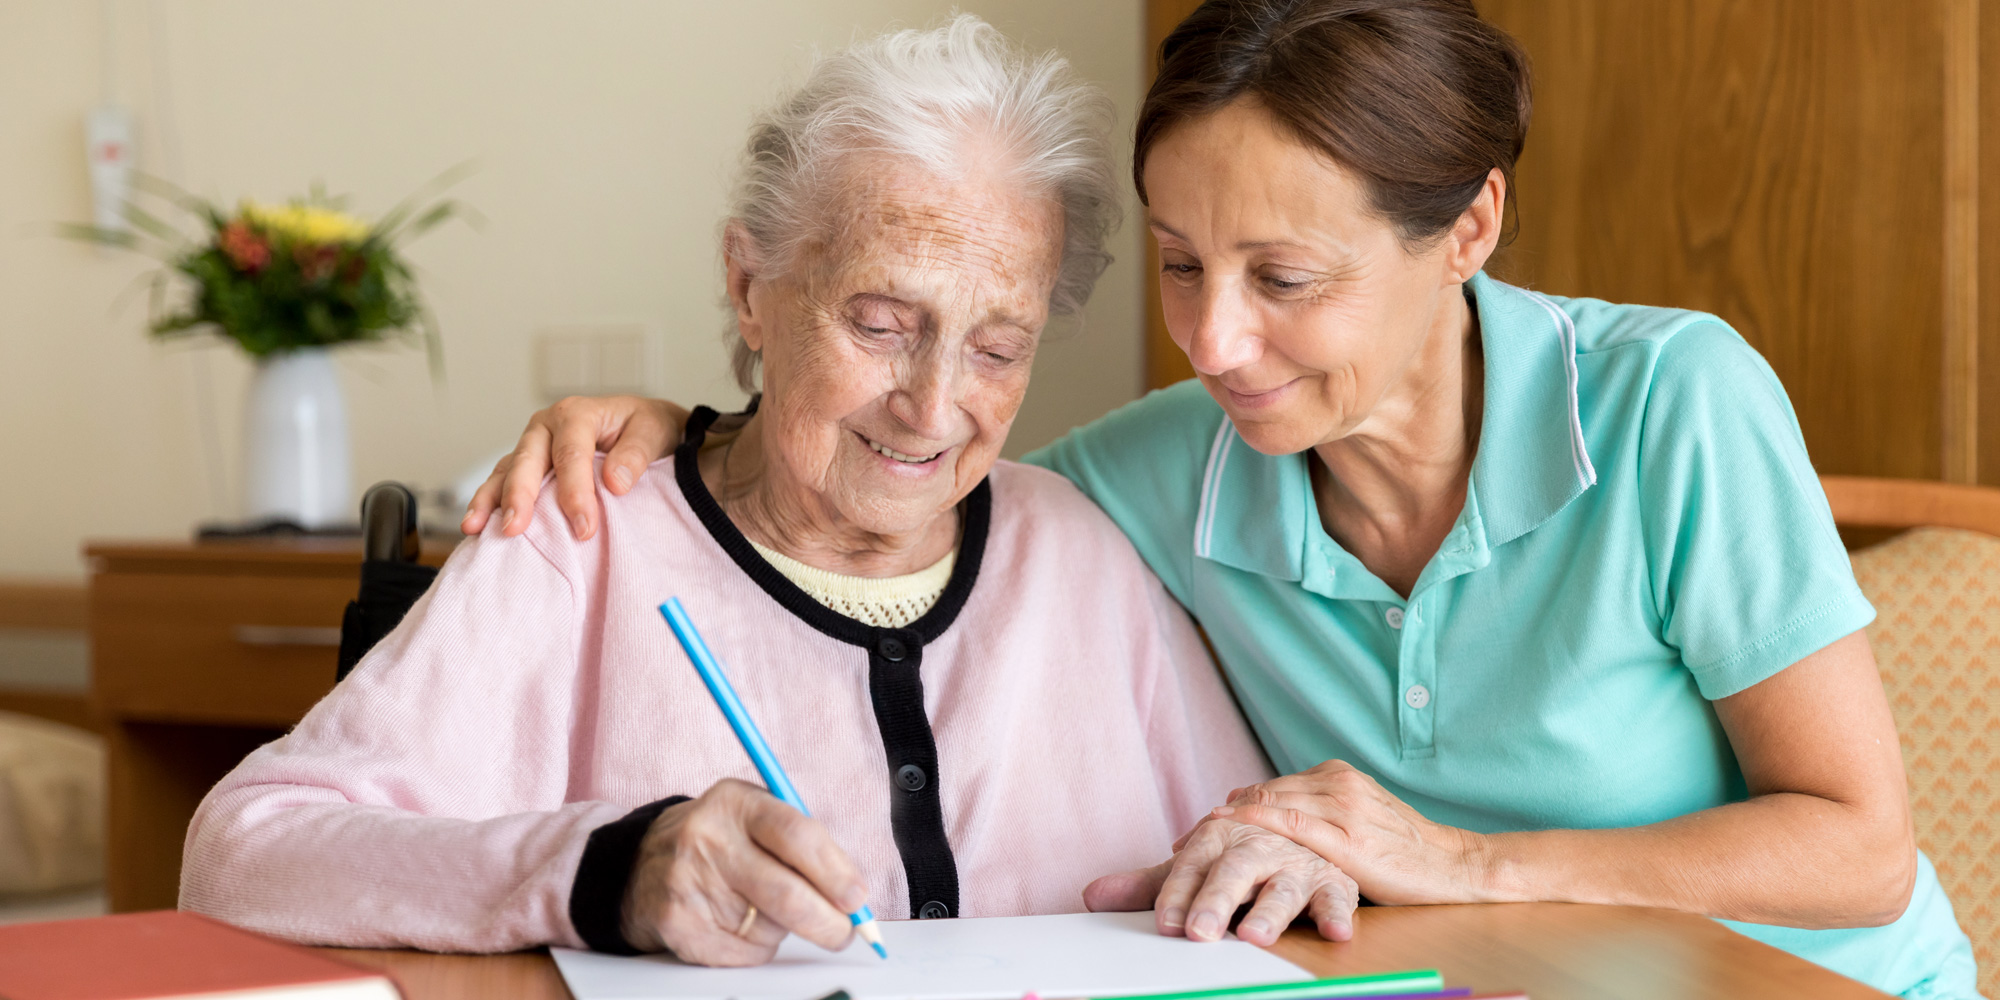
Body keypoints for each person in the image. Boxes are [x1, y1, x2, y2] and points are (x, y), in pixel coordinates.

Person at [465, 1, 1984, 995]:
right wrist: (700, 421)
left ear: (1469, 229)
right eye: (1183, 264)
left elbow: (1854, 843)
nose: (1215, 342)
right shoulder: (1160, 470)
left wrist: (1457, 863)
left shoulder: (1673, 406)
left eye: (1286, 278)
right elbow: (903, 492)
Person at [178, 17, 1352, 968]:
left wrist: (1282, 863)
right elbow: (242, 848)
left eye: (998, 347)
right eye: (881, 324)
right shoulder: (582, 531)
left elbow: (1250, 838)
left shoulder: (1081, 554)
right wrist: (606, 870)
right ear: (750, 286)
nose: (933, 405)